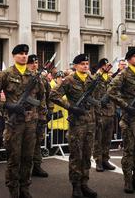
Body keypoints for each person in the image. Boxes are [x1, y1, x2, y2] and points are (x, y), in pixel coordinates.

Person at [0, 44, 47, 198]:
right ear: (14, 56)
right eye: (20, 53)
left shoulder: (34, 75)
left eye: (26, 53)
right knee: (14, 159)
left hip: (31, 125)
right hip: (14, 125)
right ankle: (14, 191)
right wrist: (7, 105)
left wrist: (42, 117)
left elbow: (41, 97)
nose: (24, 56)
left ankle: (24, 189)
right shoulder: (6, 74)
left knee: (27, 159)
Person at [49, 54, 97, 198]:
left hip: (90, 123)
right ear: (75, 66)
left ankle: (84, 184)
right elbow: (53, 95)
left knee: (87, 156)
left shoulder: (91, 80)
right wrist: (70, 107)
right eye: (82, 63)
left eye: (87, 63)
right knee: (76, 156)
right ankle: (76, 186)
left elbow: (98, 98)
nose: (85, 66)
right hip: (76, 124)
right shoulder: (69, 80)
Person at [108, 48, 135, 194]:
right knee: (129, 150)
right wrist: (126, 106)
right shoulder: (123, 75)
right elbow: (111, 92)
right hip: (129, 118)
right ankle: (128, 181)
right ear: (128, 59)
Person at [26, 54, 49, 178]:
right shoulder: (24, 78)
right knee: (27, 143)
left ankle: (37, 166)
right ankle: (25, 168)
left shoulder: (43, 79)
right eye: (32, 63)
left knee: (38, 142)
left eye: (36, 63)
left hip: (40, 116)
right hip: (27, 116)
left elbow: (47, 96)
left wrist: (47, 112)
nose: (35, 65)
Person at [93, 58, 116, 172]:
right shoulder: (96, 78)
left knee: (107, 139)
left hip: (110, 112)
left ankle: (105, 159)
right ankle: (98, 161)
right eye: (106, 65)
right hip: (100, 113)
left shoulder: (110, 79)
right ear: (101, 66)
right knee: (99, 139)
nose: (108, 67)